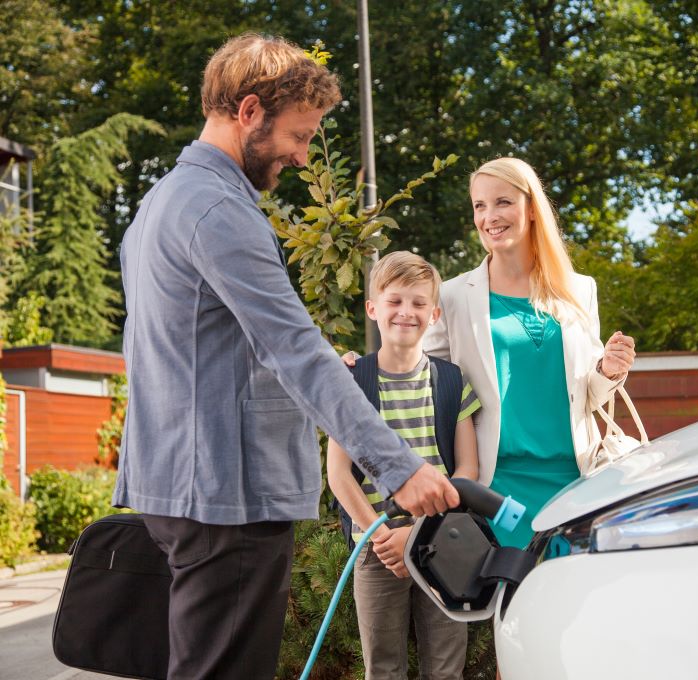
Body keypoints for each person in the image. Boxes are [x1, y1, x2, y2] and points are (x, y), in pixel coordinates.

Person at [114, 34, 458, 680]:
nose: (303, 157)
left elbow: (193, 348)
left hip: (177, 489)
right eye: (299, 137)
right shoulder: (221, 210)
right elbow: (293, 350)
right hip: (227, 499)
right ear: (249, 112)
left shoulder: (158, 204)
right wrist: (397, 467)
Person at [422, 157, 636, 550]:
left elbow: (588, 394)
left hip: (577, 482)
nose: (489, 216)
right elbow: (419, 378)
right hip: (498, 490)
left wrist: (608, 370)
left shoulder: (579, 289)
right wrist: (363, 366)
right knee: (512, 606)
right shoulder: (451, 296)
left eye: (502, 202)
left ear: (531, 208)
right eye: (479, 206)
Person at [327, 251, 481, 680]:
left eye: (417, 303)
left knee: (446, 667)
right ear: (373, 309)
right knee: (384, 667)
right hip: (377, 547)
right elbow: (339, 475)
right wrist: (379, 533)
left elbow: (466, 470)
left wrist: (418, 530)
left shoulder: (452, 380)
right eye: (395, 301)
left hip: (441, 542)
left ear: (433, 314)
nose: (405, 312)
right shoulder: (351, 380)